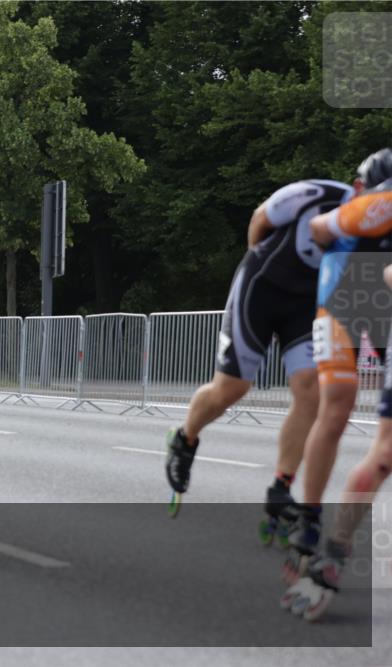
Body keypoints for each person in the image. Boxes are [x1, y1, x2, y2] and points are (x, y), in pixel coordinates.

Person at [164, 175, 354, 529]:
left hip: (305, 305)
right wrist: (255, 267)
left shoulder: (377, 235)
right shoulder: (316, 194)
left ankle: (281, 487)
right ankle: (184, 438)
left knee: (310, 390)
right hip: (260, 288)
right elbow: (258, 221)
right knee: (232, 389)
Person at [281, 148, 392, 591]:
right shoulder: (374, 204)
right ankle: (309, 516)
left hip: (381, 301)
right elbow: (317, 227)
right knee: (338, 406)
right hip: (344, 298)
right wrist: (343, 220)